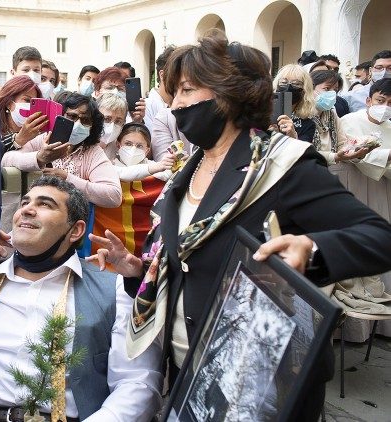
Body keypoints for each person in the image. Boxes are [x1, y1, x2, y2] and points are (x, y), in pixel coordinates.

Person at [89, 32, 391, 421]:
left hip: (262, 383)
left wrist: (312, 252)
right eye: (174, 92)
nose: (175, 104)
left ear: (230, 94)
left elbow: (378, 238)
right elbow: (186, 260)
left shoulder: (283, 165)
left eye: (186, 90)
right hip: (191, 375)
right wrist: (137, 270)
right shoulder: (190, 166)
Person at [0, 176, 163, 422]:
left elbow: (137, 383)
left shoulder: (115, 289)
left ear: (75, 230)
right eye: (24, 202)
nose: (27, 209)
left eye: (45, 204)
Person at [335, 78, 391, 340]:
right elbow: (352, 154)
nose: (385, 107)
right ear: (369, 100)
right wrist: (385, 156)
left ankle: (382, 322)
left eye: (390, 103)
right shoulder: (348, 121)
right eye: (381, 100)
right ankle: (352, 329)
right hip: (353, 188)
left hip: (382, 190)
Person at [2, 92, 121, 209]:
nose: (77, 124)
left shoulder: (92, 151)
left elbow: (114, 196)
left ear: (92, 126)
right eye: (72, 116)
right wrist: (39, 158)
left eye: (85, 120)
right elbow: (6, 160)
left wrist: (67, 178)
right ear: (60, 116)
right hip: (33, 210)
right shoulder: (43, 139)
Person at [92, 123, 172, 261]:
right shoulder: (106, 166)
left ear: (147, 150)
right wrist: (156, 168)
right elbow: (122, 173)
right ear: (118, 145)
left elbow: (169, 174)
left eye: (139, 146)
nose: (133, 149)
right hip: (109, 237)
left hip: (145, 243)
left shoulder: (160, 170)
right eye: (128, 144)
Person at [0, 74, 45, 152]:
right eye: (27, 100)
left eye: (34, 103)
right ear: (9, 104)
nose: (31, 107)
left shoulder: (38, 136)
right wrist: (18, 140)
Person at [95, 92, 127, 159]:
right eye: (107, 119)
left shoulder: (120, 148)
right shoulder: (82, 147)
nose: (112, 126)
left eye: (118, 121)